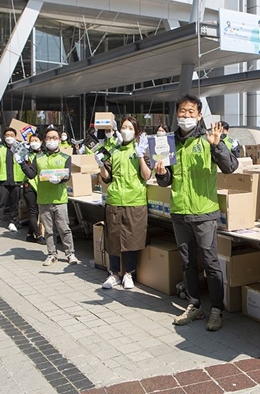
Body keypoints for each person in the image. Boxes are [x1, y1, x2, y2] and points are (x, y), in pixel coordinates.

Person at [155, 95, 239, 332]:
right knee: (187, 262)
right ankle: (194, 304)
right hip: (179, 211)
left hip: (204, 212)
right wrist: (161, 174)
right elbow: (166, 182)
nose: (186, 116)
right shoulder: (168, 143)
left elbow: (230, 167)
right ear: (176, 115)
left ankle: (217, 309)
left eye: (191, 112)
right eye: (182, 112)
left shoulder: (209, 139)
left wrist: (217, 145)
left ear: (200, 115)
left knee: (211, 262)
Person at [97, 116, 151, 289]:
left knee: (132, 239)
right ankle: (114, 273)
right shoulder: (114, 150)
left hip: (135, 200)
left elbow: (147, 175)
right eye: (123, 127)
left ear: (136, 131)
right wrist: (100, 165)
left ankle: (129, 273)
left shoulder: (141, 149)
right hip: (114, 200)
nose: (125, 130)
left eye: (129, 127)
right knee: (113, 238)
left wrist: (141, 155)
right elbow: (107, 178)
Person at [21, 126, 80, 266]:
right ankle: (51, 254)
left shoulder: (65, 157)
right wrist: (21, 163)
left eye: (54, 138)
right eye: (48, 138)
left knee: (64, 228)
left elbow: (67, 176)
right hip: (43, 198)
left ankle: (70, 253)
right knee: (48, 230)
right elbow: (31, 174)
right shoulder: (38, 158)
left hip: (59, 199)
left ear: (59, 140)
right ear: (44, 141)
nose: (51, 140)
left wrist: (60, 179)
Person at [0, 128, 24, 235]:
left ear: (15, 137)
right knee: (0, 202)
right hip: (3, 179)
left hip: (16, 179)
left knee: (14, 202)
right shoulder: (0, 148)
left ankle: (12, 222)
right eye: (7, 135)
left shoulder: (20, 148)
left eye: (11, 135)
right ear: (4, 137)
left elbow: (26, 161)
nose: (9, 137)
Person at [23, 134, 44, 243]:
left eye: (36, 140)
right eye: (31, 141)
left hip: (40, 186)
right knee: (33, 211)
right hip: (29, 185)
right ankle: (38, 235)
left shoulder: (44, 155)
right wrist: (24, 157)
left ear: (41, 141)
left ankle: (29, 234)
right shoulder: (27, 154)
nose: (34, 143)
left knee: (38, 211)